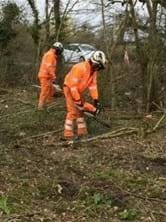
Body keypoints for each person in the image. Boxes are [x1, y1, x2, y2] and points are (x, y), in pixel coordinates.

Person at [63, 50, 107, 140]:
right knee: (72, 111)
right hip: (69, 88)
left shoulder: (93, 72)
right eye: (99, 66)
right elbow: (73, 87)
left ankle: (82, 132)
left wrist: (96, 99)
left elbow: (93, 86)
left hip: (77, 90)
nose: (98, 69)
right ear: (95, 63)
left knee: (80, 111)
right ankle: (68, 134)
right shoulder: (80, 68)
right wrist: (78, 101)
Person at [38, 42, 64, 110]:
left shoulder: (51, 55)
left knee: (51, 90)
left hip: (48, 76)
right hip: (45, 76)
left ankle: (48, 104)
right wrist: (54, 77)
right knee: (45, 91)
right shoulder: (50, 55)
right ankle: (40, 106)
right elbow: (49, 67)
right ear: (57, 49)